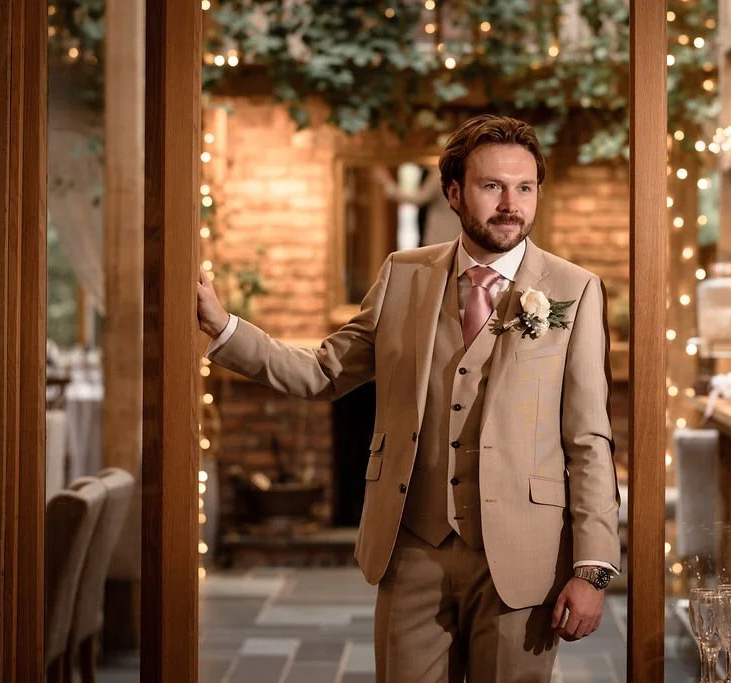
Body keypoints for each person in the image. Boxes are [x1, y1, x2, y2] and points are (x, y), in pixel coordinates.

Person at [197, 114, 620, 683]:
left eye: (525, 187)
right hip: (413, 548)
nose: (510, 204)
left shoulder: (575, 289)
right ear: (453, 192)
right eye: (491, 186)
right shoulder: (403, 276)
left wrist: (591, 568)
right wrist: (225, 329)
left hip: (525, 557)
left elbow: (588, 439)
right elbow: (324, 372)